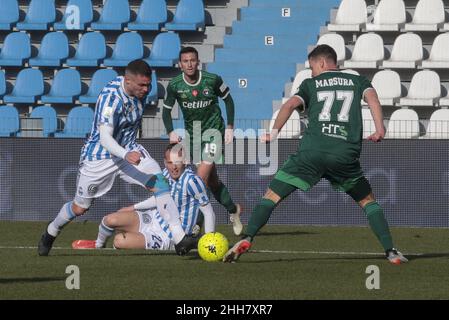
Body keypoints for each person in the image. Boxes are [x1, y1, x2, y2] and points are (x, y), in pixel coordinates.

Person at [223, 45, 408, 265]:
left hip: (311, 152)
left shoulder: (311, 84)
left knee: (272, 196)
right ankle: (391, 251)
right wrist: (380, 129)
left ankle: (247, 237)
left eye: (311, 67)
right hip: (344, 154)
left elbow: (290, 104)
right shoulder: (358, 80)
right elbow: (373, 100)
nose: (311, 72)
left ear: (321, 63)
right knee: (368, 202)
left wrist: (273, 133)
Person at [38, 60, 197, 256]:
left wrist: (128, 152)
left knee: (160, 183)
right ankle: (51, 231)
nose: (146, 89)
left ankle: (180, 239)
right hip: (101, 156)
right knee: (80, 208)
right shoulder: (110, 98)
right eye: (142, 85)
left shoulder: (139, 92)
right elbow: (105, 137)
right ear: (127, 81)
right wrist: (124, 154)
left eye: (149, 85)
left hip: (129, 150)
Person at [162, 46, 243, 236]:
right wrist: (171, 132)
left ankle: (196, 222)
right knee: (212, 182)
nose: (189, 64)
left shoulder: (212, 80)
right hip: (193, 136)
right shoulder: (174, 85)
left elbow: (229, 100)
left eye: (192, 60)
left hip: (214, 132)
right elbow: (165, 110)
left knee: (199, 179)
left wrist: (230, 127)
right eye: (185, 61)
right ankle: (233, 211)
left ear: (198, 62)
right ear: (180, 64)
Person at [72, 143, 215, 250]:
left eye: (177, 162)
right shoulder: (165, 174)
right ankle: (98, 246)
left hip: (167, 236)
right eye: (170, 163)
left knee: (119, 241)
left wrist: (209, 242)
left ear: (184, 161)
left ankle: (182, 244)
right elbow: (158, 199)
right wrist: (132, 207)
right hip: (152, 219)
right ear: (165, 163)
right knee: (110, 219)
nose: (174, 167)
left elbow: (208, 213)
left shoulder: (192, 181)